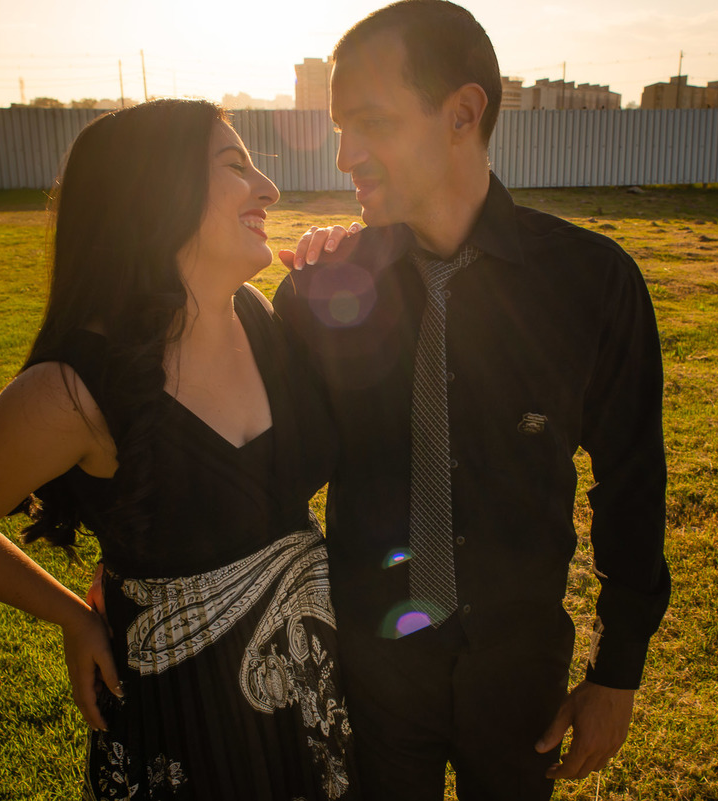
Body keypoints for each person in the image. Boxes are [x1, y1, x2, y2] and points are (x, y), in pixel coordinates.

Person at [274, 2, 671, 798]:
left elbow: (633, 485)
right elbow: (265, 477)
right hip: (372, 675)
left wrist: (617, 672)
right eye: (338, 126)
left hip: (521, 674)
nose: (344, 154)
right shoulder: (321, 294)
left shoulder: (593, 284)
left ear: (462, 113)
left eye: (370, 122)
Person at [0, 99, 355, 800]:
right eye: (235, 166)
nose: (268, 188)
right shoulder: (75, 390)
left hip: (306, 692)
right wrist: (73, 615)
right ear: (157, 189)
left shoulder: (261, 316)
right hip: (187, 727)